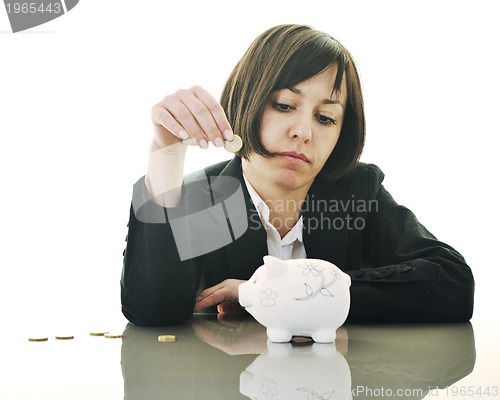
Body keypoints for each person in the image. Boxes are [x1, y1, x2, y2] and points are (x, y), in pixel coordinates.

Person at [121, 24, 474, 326]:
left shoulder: (355, 193)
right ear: (247, 101)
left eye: (326, 118)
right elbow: (154, 311)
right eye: (285, 105)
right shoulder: (207, 197)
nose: (303, 132)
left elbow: (453, 284)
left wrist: (279, 293)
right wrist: (165, 153)